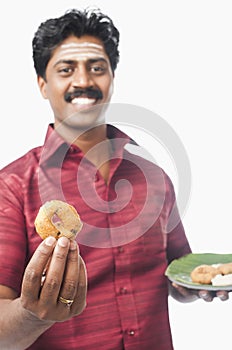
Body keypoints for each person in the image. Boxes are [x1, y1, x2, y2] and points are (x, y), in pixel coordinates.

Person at [0, 7, 229, 350]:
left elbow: (175, 270)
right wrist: (33, 314)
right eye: (66, 70)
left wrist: (197, 284)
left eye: (97, 68)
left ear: (111, 79)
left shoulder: (155, 177)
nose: (84, 81)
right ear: (43, 85)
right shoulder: (12, 187)